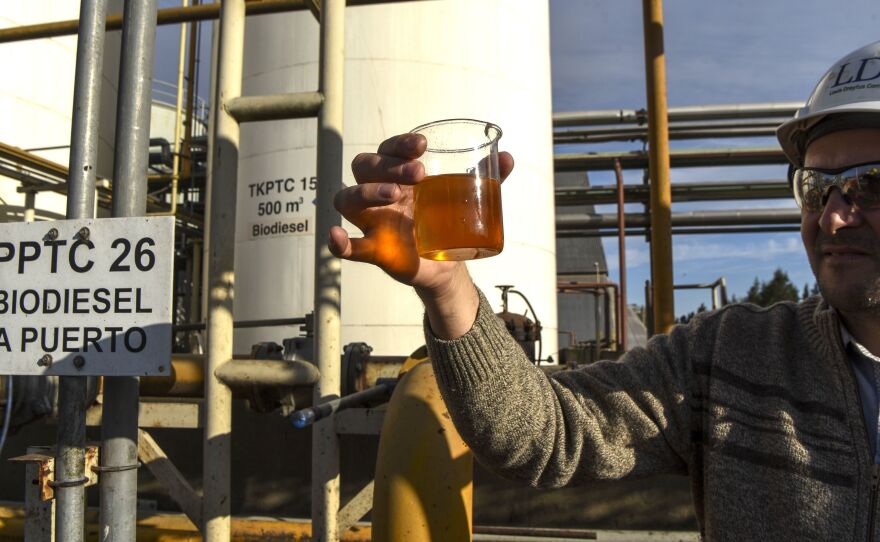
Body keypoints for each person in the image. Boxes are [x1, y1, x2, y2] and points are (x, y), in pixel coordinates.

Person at [330, 40, 880, 540]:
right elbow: (544, 434)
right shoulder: (733, 357)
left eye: (868, 184)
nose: (832, 218)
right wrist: (448, 288)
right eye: (816, 188)